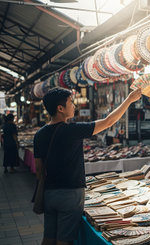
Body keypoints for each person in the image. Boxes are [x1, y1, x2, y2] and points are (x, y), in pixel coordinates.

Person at [33, 87, 141, 245]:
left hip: (49, 193)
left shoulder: (40, 134)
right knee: (64, 240)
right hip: (70, 194)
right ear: (60, 108)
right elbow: (108, 121)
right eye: (71, 102)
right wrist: (129, 100)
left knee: (48, 237)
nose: (74, 106)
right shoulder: (72, 130)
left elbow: (38, 170)